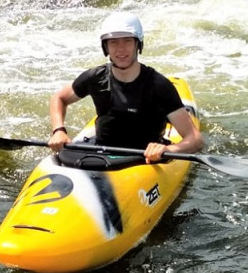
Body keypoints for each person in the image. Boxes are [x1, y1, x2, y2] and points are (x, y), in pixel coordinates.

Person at [48, 12, 203, 163]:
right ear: (106, 47)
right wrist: (59, 131)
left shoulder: (158, 85)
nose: (121, 49)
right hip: (102, 153)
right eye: (114, 42)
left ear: (138, 44)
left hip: (144, 158)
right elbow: (59, 98)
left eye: (127, 41)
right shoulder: (95, 77)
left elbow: (195, 140)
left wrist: (169, 151)